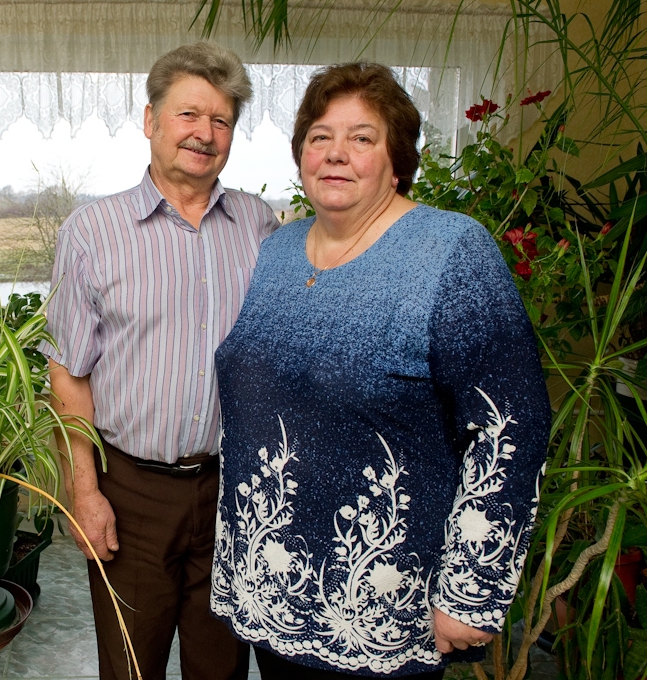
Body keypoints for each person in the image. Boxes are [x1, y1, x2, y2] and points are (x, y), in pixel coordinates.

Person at [210, 62, 550, 679]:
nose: (336, 153)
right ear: (300, 154)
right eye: (319, 136)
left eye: (361, 138)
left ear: (397, 160)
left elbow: (511, 423)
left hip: (383, 604)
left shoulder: (451, 251)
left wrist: (472, 591)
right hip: (274, 591)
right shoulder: (278, 249)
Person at [40, 42, 280, 680]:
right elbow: (68, 370)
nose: (205, 134)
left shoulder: (259, 226)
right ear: (150, 121)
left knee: (221, 668)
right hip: (133, 495)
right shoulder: (92, 232)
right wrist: (82, 491)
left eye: (221, 121)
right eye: (188, 115)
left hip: (236, 492)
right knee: (130, 667)